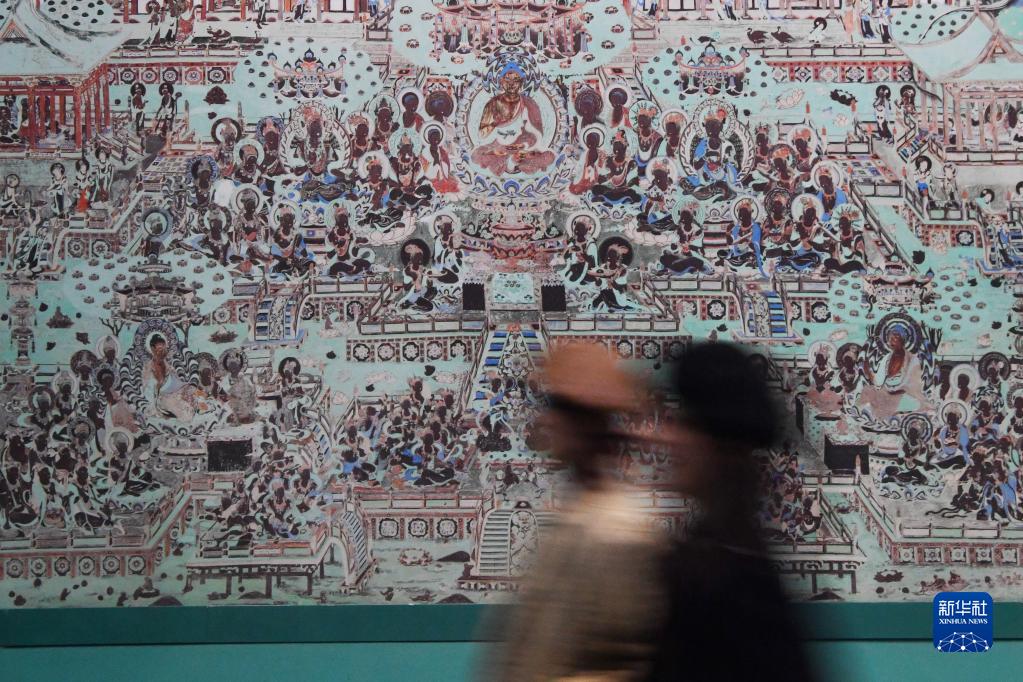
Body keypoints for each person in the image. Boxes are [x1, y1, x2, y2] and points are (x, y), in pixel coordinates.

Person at [488, 342, 668, 681]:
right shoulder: (584, 516)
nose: (546, 420)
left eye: (557, 409)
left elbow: (626, 662)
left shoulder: (618, 531)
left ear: (583, 425)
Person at [646, 342, 818, 681]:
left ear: (718, 445)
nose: (668, 439)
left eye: (686, 424)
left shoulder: (731, 581)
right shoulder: (716, 554)